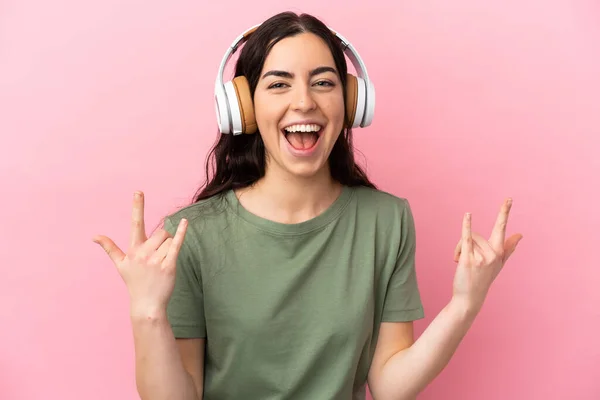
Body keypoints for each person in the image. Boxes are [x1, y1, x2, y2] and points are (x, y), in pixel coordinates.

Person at [93, 11, 523, 400]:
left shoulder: (386, 220)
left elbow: (392, 387)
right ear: (243, 107)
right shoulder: (190, 234)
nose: (304, 102)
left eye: (323, 82)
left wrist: (465, 304)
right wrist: (147, 311)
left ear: (351, 103)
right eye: (279, 84)